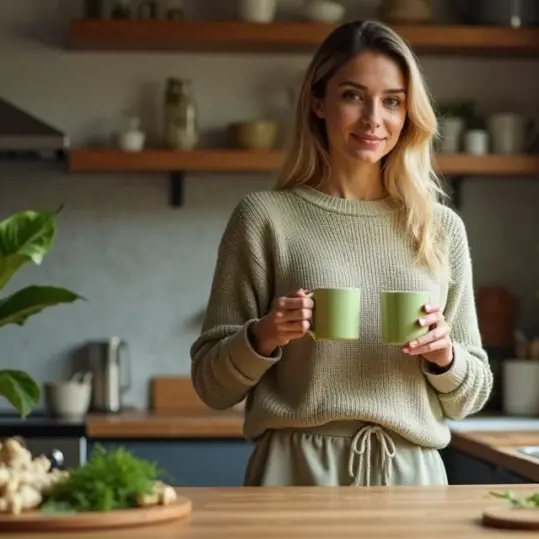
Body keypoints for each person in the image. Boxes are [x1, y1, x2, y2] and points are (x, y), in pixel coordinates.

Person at [189, 20, 493, 487]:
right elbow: (212, 385)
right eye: (353, 95)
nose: (374, 118)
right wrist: (265, 335)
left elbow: (469, 396)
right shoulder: (264, 218)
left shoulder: (440, 229)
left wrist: (445, 358)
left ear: (408, 113)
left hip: (411, 477)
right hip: (293, 472)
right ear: (318, 102)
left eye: (392, 101)